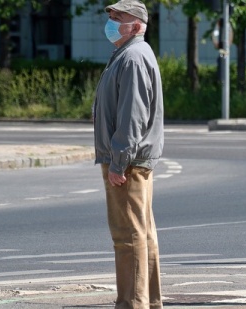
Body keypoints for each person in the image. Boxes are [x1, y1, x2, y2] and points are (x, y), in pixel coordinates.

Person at [93, 0, 164, 308]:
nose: (110, 21)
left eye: (117, 17)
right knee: (143, 235)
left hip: (128, 163)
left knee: (128, 237)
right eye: (110, 16)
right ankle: (148, 300)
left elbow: (131, 116)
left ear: (136, 25)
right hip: (134, 160)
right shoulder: (130, 54)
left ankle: (132, 303)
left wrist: (118, 162)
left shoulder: (132, 57)